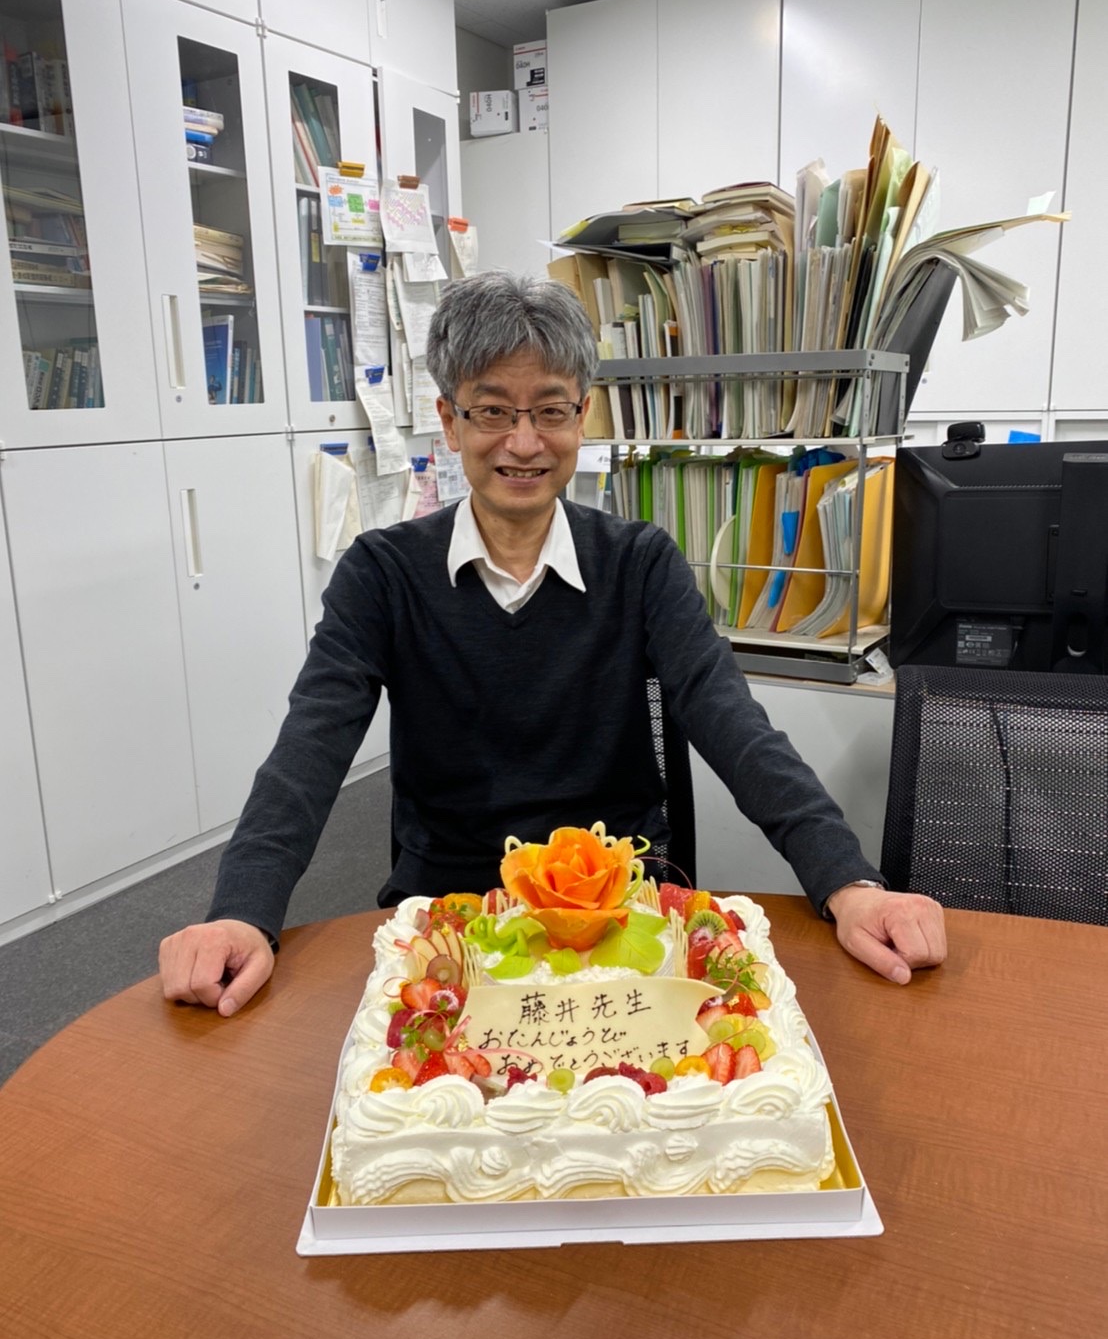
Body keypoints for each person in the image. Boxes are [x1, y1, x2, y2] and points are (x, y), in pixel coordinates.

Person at [159, 272, 946, 1017]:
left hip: (621, 909)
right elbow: (309, 748)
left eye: (550, 410)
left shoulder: (640, 564)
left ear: (583, 416)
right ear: (449, 420)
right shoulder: (383, 574)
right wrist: (240, 912)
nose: (525, 442)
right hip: (456, 912)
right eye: (493, 411)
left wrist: (849, 883)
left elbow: (735, 726)